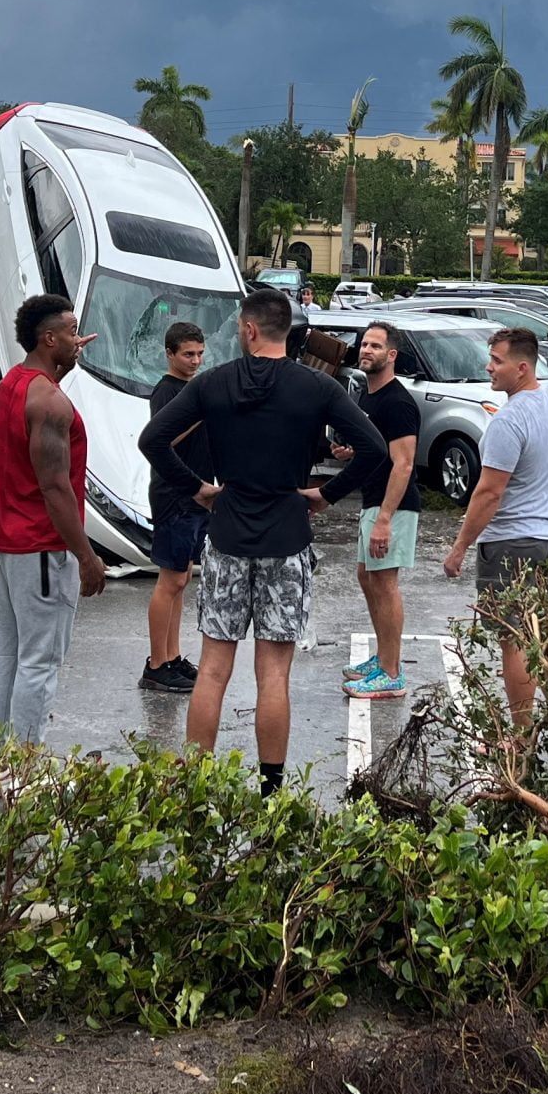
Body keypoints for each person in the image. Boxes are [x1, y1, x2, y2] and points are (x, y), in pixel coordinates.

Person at [139, 286, 386, 793]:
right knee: (273, 673)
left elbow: (153, 440)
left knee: (212, 669)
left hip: (227, 536)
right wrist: (324, 494)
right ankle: (272, 792)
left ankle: (195, 785)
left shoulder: (212, 383)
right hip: (287, 539)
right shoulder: (315, 387)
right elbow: (373, 448)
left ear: (249, 329)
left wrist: (199, 489)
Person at [0, 293, 111, 796]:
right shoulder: (50, 402)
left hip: (2, 541)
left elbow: (43, 387)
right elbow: (54, 485)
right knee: (39, 661)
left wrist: (67, 359)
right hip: (40, 547)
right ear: (48, 338)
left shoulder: (14, 383)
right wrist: (87, 556)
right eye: (72, 332)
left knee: (3, 651)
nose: (80, 339)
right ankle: (23, 770)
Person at [442, 319, 548, 720]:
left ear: (521, 368)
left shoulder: (508, 422)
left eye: (496, 361)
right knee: (546, 633)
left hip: (512, 545)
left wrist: (459, 548)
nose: (489, 367)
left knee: (517, 639)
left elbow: (489, 493)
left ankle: (521, 736)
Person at [341, 320, 423, 700]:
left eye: (375, 346)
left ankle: (392, 673)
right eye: (364, 344)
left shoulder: (397, 401)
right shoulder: (368, 396)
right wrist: (350, 452)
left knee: (385, 583)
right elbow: (376, 451)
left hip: (394, 506)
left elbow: (404, 464)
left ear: (391, 355)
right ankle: (383, 658)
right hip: (372, 500)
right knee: (367, 576)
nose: (366, 350)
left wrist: (386, 519)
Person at [138, 320, 212, 695]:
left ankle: (172, 655)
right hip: (173, 496)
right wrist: (199, 411)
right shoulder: (166, 392)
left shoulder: (193, 390)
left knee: (181, 579)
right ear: (169, 354)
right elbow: (162, 436)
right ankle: (155, 664)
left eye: (199, 353)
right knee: (169, 580)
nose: (195, 360)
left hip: (198, 495)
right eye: (187, 354)